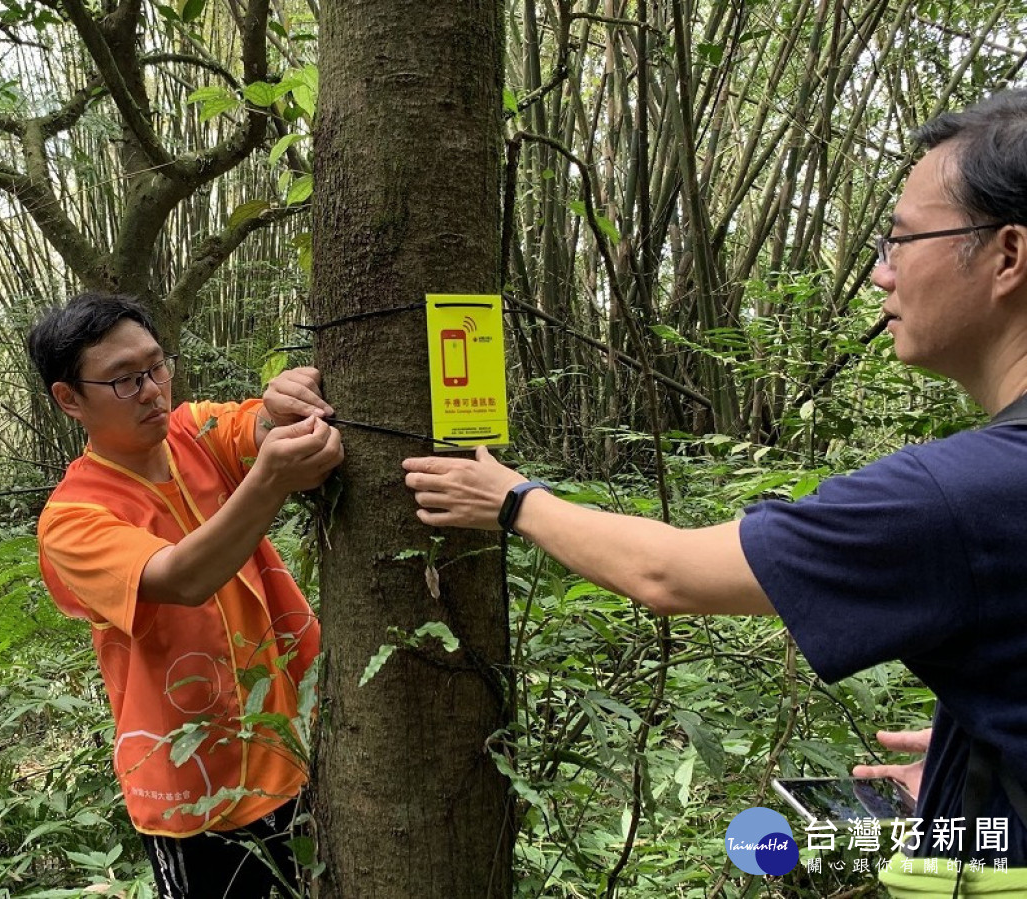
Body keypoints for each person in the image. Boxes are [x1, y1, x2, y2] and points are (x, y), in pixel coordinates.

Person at [404, 90, 1027, 893]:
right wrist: (984, 740)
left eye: (903, 241)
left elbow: (668, 572)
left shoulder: (959, 493)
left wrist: (513, 498)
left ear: (1009, 255)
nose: (880, 271)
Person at [28, 293, 343, 899]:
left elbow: (254, 424)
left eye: (155, 366)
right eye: (122, 380)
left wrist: (286, 400)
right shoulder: (72, 518)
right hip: (193, 785)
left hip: (297, 744)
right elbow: (180, 578)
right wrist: (272, 481)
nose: (151, 390)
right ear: (70, 399)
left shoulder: (192, 431)